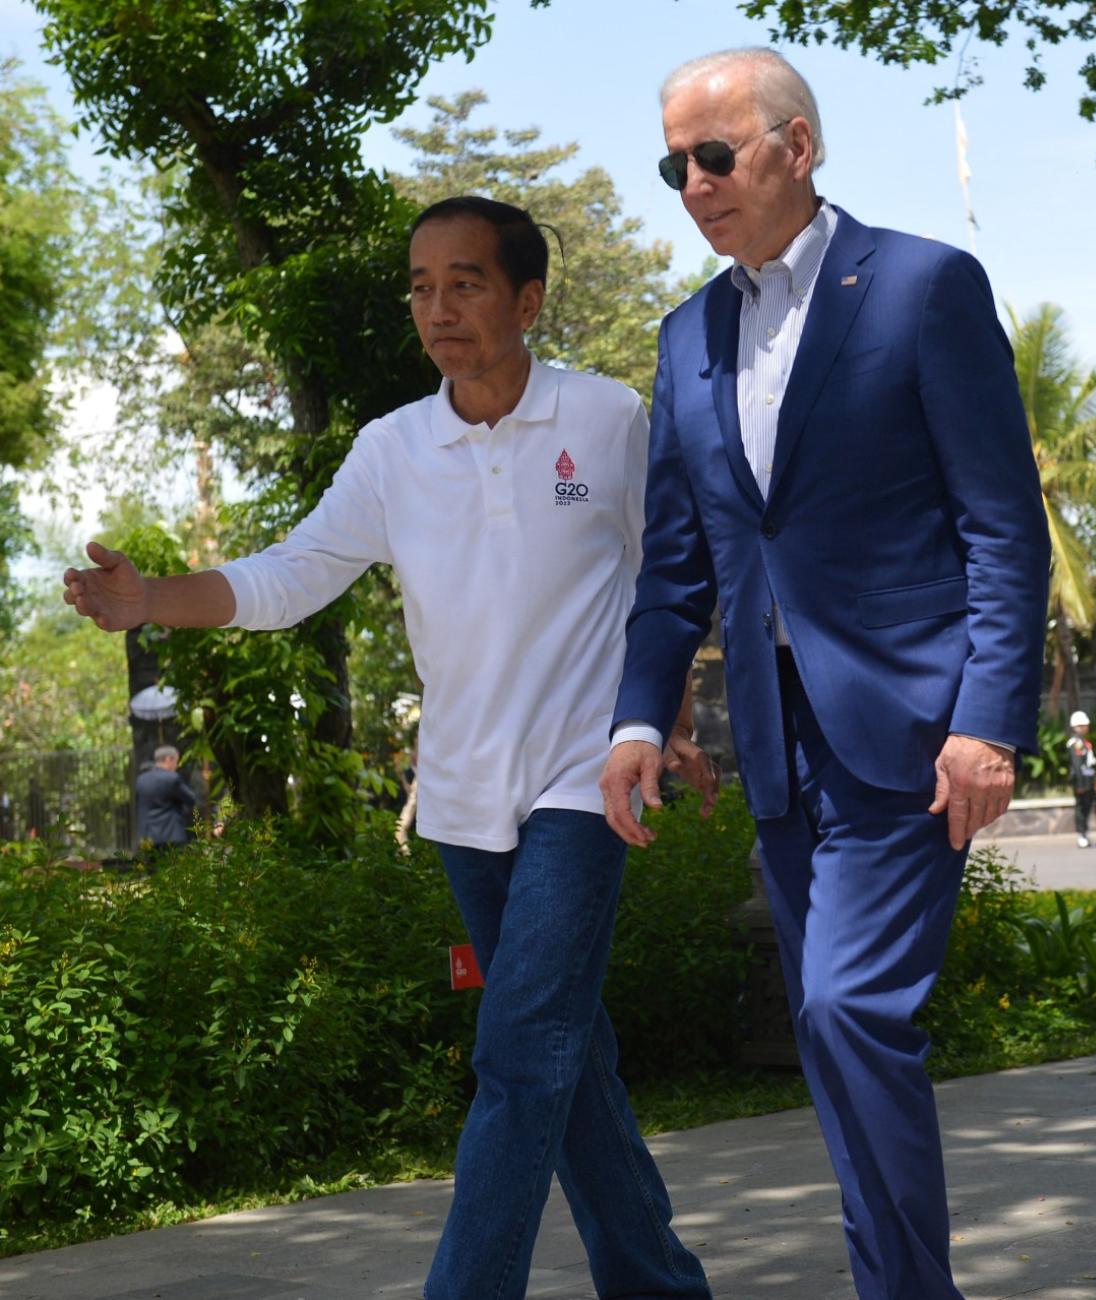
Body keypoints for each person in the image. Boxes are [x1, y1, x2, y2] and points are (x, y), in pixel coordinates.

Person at [64, 196, 714, 1300]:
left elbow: (670, 582)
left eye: (464, 282)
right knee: (566, 1054)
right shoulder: (393, 449)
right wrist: (150, 601)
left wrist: (665, 724)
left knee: (518, 1056)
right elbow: (293, 572)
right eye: (420, 286)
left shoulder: (605, 418)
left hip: (582, 779)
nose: (438, 307)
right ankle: (659, 1285)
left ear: (527, 299)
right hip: (463, 795)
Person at [600, 49, 1049, 1300]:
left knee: (851, 1012)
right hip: (778, 744)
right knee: (828, 1031)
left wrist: (989, 722)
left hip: (912, 730)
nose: (690, 185)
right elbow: (676, 570)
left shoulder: (919, 286)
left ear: (796, 147)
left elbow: (1002, 524)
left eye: (714, 156)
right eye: (671, 165)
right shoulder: (686, 334)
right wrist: (641, 716)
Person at [134, 744, 199, 855]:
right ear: (168, 759)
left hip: (147, 836)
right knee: (174, 870)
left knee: (151, 871)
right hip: (171, 836)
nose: (176, 766)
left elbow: (138, 804)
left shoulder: (141, 780)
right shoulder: (172, 778)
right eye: (176, 761)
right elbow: (191, 799)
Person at [1067, 710, 1096, 848]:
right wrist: (1081, 785)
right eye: (1084, 725)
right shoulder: (1076, 743)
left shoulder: (1084, 742)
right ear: (1077, 726)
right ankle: (1081, 834)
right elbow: (1078, 765)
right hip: (1081, 782)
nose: (1086, 727)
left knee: (1087, 807)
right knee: (1081, 808)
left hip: (1088, 780)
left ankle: (1085, 832)